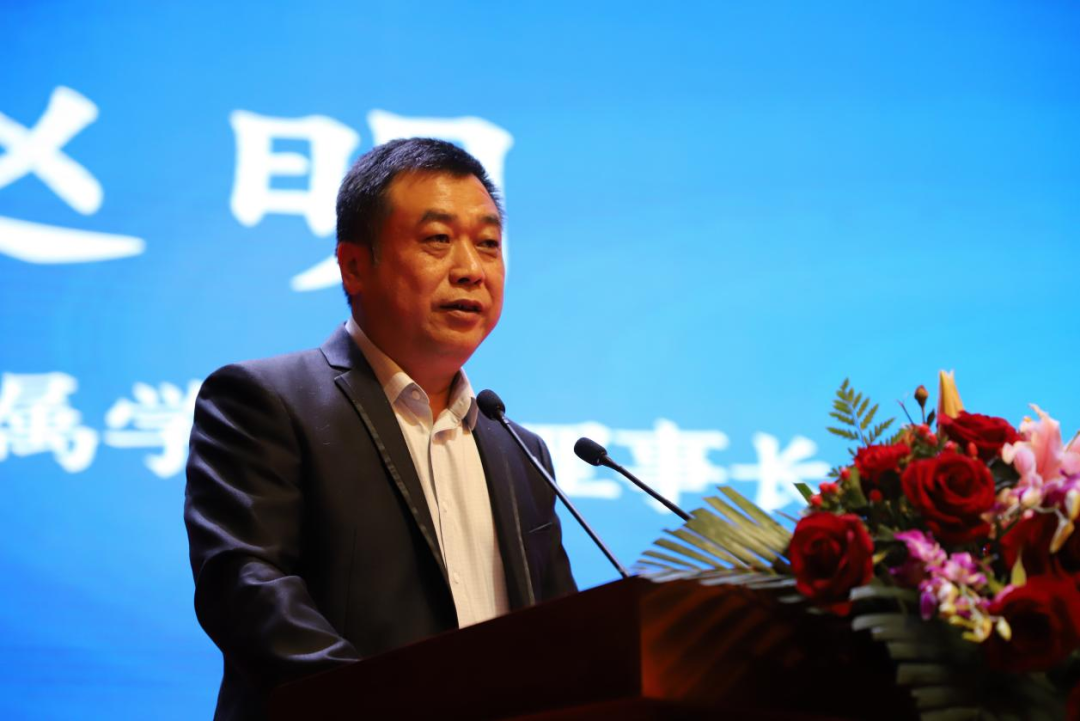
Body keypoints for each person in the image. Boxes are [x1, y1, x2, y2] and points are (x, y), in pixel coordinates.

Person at [184, 138, 577, 721]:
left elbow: (562, 634)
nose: (471, 270)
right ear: (353, 266)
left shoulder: (520, 450)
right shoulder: (266, 402)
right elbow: (245, 588)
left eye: (488, 244)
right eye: (438, 239)